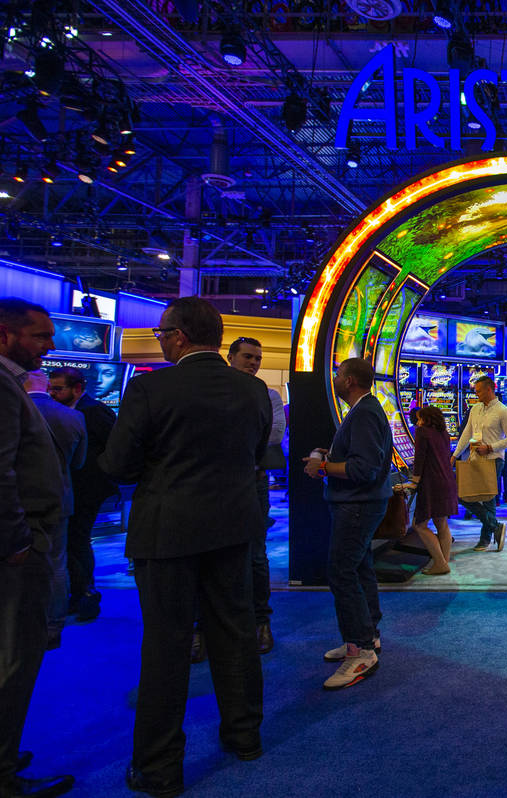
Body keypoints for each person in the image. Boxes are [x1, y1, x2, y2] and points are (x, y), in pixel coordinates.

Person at [99, 297, 270, 795]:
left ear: (176, 335)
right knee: (235, 635)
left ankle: (158, 767)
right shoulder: (254, 392)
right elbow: (256, 455)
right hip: (234, 529)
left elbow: (118, 465)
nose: (160, 341)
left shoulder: (150, 387)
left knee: (167, 645)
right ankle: (245, 737)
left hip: (166, 532)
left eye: (159, 334)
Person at [0, 298, 75, 798]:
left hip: (22, 541)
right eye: (40, 335)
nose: (50, 346)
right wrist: (19, 540)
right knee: (13, 656)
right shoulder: (3, 387)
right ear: (5, 334)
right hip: (15, 551)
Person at [302, 357, 392, 689]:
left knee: (341, 571)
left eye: (339, 375)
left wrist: (322, 468)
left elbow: (363, 468)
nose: (335, 380)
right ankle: (368, 635)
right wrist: (329, 455)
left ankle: (361, 650)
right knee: (358, 568)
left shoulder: (365, 411)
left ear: (350, 380)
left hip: (357, 505)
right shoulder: (366, 409)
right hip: (360, 504)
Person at [226, 337, 286, 655]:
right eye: (247, 356)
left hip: (254, 479)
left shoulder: (268, 393)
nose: (253, 362)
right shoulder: (219, 389)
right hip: (218, 483)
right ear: (230, 357)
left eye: (258, 358)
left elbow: (275, 434)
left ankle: (261, 621)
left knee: (256, 554)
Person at [48, 366, 117, 622]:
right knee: (74, 541)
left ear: (76, 388)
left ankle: (85, 594)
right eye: (50, 388)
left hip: (88, 489)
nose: (52, 394)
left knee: (78, 540)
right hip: (74, 488)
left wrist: (103, 475)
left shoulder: (94, 411)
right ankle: (80, 593)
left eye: (58, 389)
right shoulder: (71, 411)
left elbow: (116, 446)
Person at [24, 370, 86, 651]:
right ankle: (53, 624)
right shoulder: (73, 416)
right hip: (60, 498)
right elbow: (79, 462)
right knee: (57, 563)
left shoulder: (15, 409)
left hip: (18, 500)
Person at [453, 376, 507, 551]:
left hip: (493, 460)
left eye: (479, 390)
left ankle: (485, 539)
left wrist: (490, 447)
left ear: (490, 389)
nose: (476, 393)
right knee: (462, 495)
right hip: (474, 458)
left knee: (488, 500)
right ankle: (495, 526)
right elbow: (467, 433)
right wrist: (456, 454)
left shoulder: (503, 411)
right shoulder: (475, 408)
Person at [406, 405, 457, 576]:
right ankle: (444, 561)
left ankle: (440, 563)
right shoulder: (443, 433)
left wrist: (414, 481)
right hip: (447, 479)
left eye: (419, 418)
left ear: (425, 419)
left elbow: (420, 457)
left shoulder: (422, 432)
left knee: (419, 525)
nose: (417, 422)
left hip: (431, 482)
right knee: (441, 523)